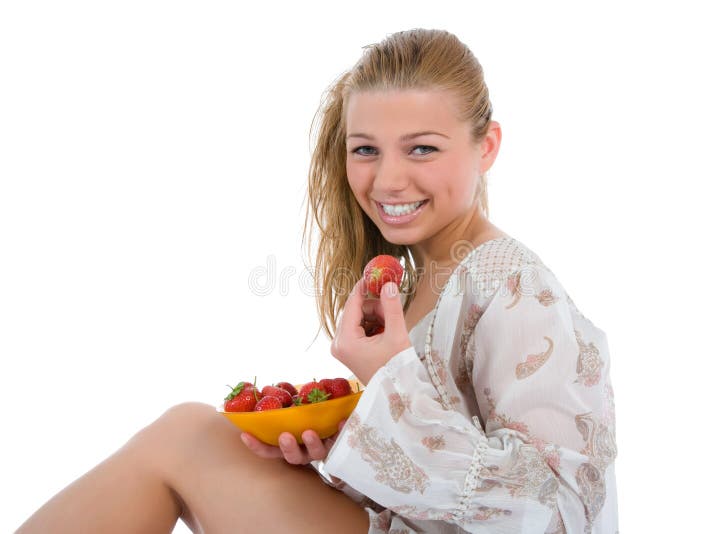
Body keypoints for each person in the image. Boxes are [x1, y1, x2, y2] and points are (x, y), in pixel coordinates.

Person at [17, 28, 618, 533]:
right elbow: (436, 475)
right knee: (191, 428)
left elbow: (558, 510)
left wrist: (388, 380)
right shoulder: (420, 278)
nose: (387, 181)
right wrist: (343, 450)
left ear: (486, 146)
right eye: (366, 150)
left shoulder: (513, 286)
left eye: (422, 150)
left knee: (180, 439)